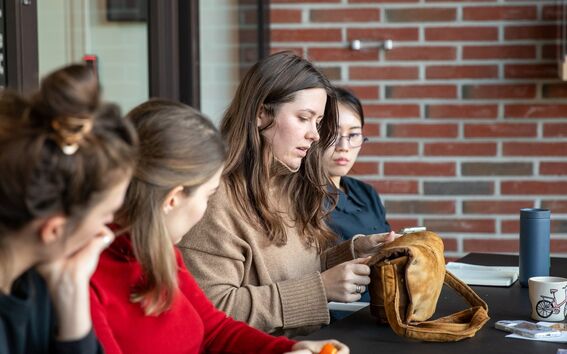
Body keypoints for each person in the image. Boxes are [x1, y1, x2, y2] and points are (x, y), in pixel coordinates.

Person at [89, 99, 348, 354]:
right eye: (208, 195)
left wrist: (286, 348)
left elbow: (214, 329)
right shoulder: (88, 281)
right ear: (173, 199)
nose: (207, 208)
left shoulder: (160, 250)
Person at [179, 51, 395, 336]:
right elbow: (211, 310)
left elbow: (295, 272)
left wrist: (351, 253)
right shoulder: (214, 199)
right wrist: (321, 290)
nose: (315, 135)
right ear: (261, 113)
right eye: (304, 118)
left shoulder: (289, 185)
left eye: (317, 122)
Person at [0, 64, 138, 354]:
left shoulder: (38, 279)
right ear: (54, 230)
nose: (107, 228)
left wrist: (71, 294)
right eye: (105, 214)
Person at [323, 87, 393, 319]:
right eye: (332, 134)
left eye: (353, 135)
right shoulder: (300, 197)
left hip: (381, 310)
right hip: (337, 319)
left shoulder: (365, 192)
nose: (343, 146)